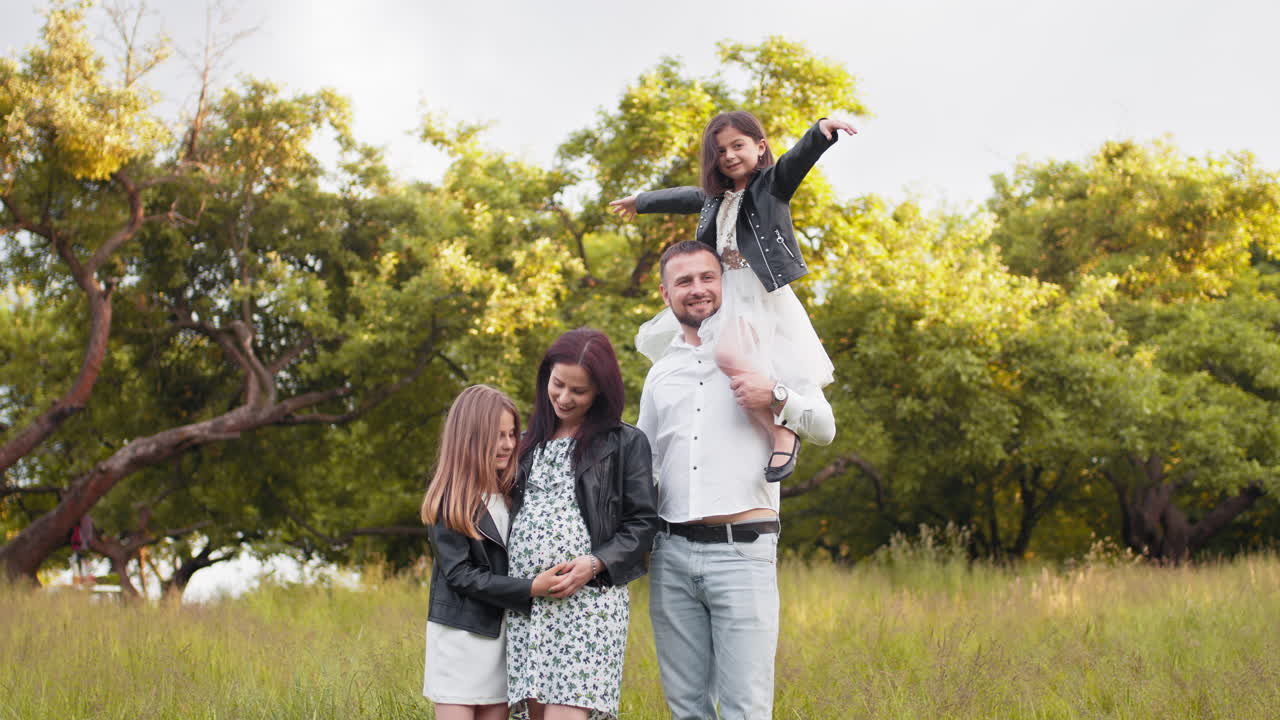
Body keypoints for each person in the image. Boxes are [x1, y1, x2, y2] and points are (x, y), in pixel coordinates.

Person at [636, 241, 837, 720]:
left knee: (746, 709)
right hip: (672, 555)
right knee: (686, 709)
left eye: (708, 277)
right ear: (666, 294)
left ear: (725, 283)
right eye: (684, 281)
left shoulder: (763, 352)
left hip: (743, 553)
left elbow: (825, 429)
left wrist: (777, 393)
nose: (698, 289)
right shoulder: (661, 374)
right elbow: (646, 466)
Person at [611, 111, 855, 482]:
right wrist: (642, 201)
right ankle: (764, 432)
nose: (728, 156)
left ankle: (781, 433)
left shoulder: (770, 186)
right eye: (720, 150)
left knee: (733, 356)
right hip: (727, 294)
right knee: (723, 366)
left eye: (737, 146)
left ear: (760, 148)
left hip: (757, 292)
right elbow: (684, 197)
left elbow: (795, 163)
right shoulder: (715, 199)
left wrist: (820, 133)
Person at [506, 327, 660, 720]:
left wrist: (594, 563)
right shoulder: (523, 445)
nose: (563, 397)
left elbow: (642, 525)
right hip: (528, 606)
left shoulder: (625, 443)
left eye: (579, 391)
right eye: (557, 385)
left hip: (588, 606)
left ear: (600, 393)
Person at [420, 385, 568, 720]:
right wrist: (531, 588)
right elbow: (460, 575)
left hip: (505, 639)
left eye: (512, 434)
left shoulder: (516, 493)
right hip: (459, 639)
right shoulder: (449, 500)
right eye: (496, 436)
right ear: (469, 438)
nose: (507, 445)